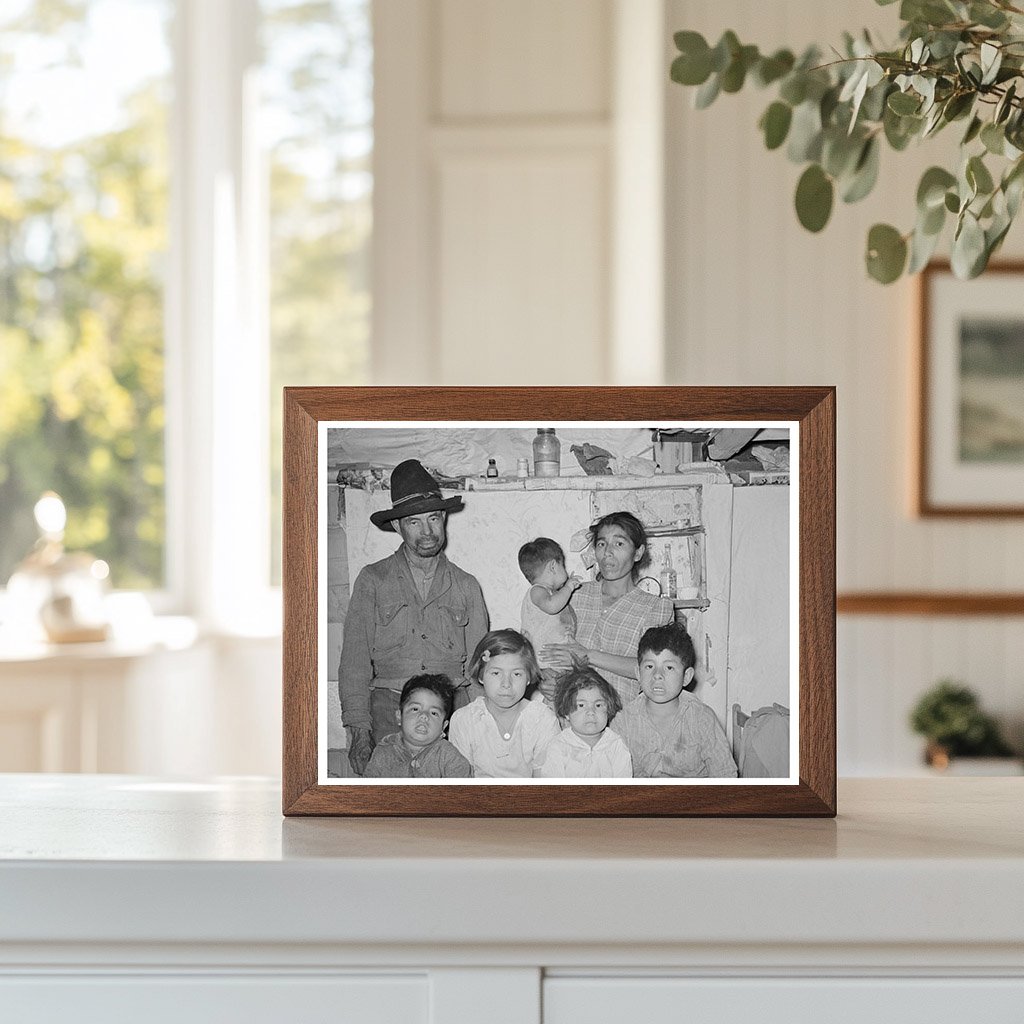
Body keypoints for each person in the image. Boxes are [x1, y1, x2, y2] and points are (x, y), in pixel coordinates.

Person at [339, 459, 489, 775]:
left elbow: (479, 671)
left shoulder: (466, 585)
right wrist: (358, 730)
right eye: (414, 522)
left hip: (451, 710)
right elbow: (354, 660)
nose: (427, 532)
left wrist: (478, 728)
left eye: (433, 518)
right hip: (388, 709)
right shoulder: (372, 580)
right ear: (397, 526)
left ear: (444, 517)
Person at [544, 511, 673, 704]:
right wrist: (545, 680)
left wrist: (587, 656)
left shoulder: (656, 608)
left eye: (619, 544)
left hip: (617, 722)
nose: (607, 552)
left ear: (638, 553)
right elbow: (544, 646)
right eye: (601, 544)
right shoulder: (571, 595)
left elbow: (654, 668)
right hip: (564, 718)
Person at [614, 622, 737, 778]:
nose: (657, 675)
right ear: (638, 673)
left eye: (669, 668)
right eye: (650, 666)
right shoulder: (623, 721)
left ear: (686, 676)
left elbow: (725, 773)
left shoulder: (702, 718)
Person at [448, 630, 560, 778]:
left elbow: (545, 782)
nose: (506, 684)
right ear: (481, 676)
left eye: (517, 674)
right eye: (496, 673)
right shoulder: (464, 720)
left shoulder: (543, 719)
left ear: (528, 678)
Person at [362, 674, 473, 779]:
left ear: (443, 726)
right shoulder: (384, 751)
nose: (424, 716)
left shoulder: (449, 756)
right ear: (399, 717)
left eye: (434, 713)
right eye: (415, 709)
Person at [517, 537, 582, 702]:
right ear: (553, 566)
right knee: (558, 702)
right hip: (548, 663)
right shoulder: (537, 591)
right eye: (563, 565)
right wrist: (568, 587)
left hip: (560, 662)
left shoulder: (551, 593)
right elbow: (552, 606)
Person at [536, 666, 632, 778]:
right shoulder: (558, 746)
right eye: (581, 705)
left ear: (609, 709)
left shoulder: (616, 745)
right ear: (566, 711)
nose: (591, 712)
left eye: (598, 705)